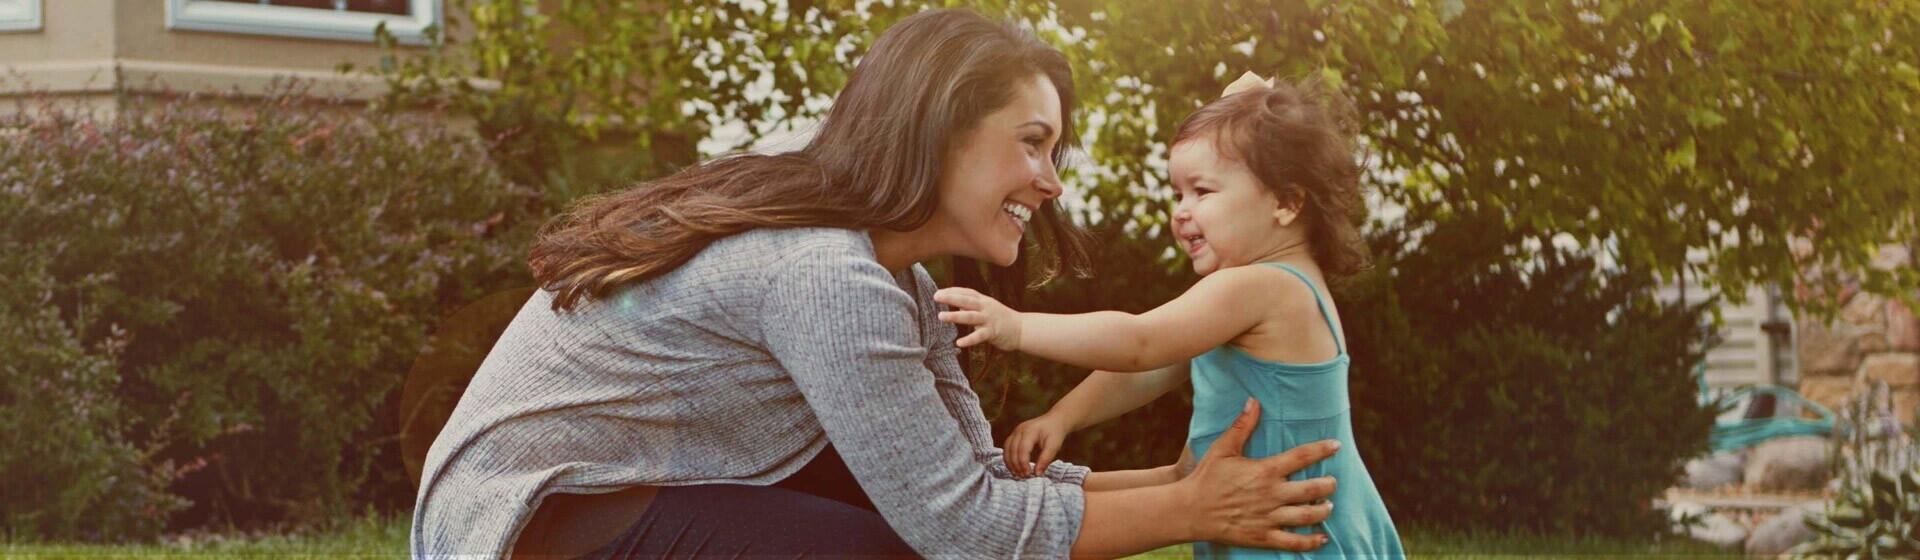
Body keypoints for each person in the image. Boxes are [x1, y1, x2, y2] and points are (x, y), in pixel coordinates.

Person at [411, 10, 1339, 559]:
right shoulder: (826, 274)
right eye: (1033, 143)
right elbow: (963, 530)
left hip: (625, 492)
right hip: (523, 523)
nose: (1053, 182)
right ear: (940, 131)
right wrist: (1189, 512)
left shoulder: (893, 281)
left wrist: (1172, 479)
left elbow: (968, 478)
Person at [934, 72, 1404, 558]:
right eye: (1178, 193)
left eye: (1203, 191)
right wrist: (1062, 418)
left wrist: (1017, 326)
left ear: (1285, 202)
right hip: (1288, 522)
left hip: (1294, 537)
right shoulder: (1273, 286)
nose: (1180, 211)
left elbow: (1140, 343)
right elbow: (1150, 368)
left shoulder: (1262, 286)